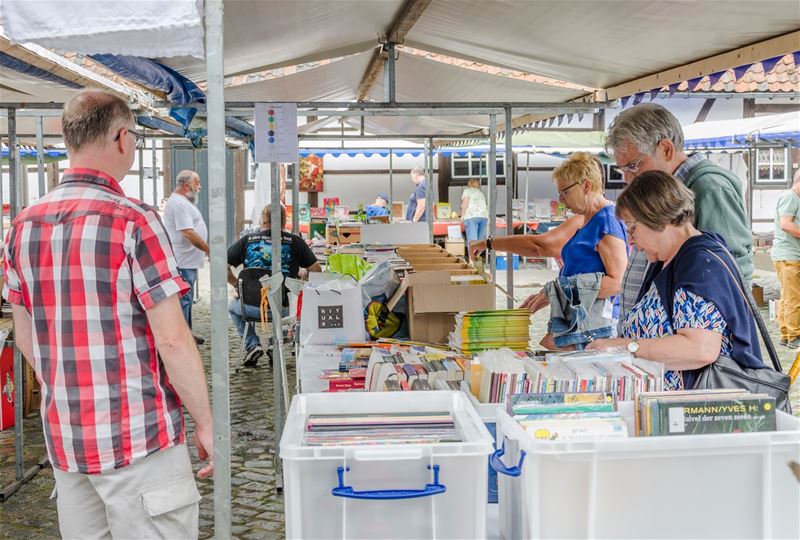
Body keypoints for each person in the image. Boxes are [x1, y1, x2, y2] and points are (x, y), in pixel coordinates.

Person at [2, 90, 213, 538]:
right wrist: (206, 422)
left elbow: (25, 336)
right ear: (122, 138)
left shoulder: (22, 225)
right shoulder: (134, 220)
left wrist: (68, 384)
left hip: (67, 440)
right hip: (140, 438)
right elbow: (173, 338)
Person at [588, 171, 765, 390]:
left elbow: (699, 349)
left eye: (633, 229)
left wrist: (625, 346)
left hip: (702, 413)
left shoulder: (697, 263)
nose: (631, 240)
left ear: (659, 217)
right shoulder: (671, 259)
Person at [606, 103, 753, 333]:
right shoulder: (668, 190)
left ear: (665, 149)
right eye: (622, 169)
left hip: (691, 349)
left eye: (633, 166)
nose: (627, 178)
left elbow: (729, 274)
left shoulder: (709, 187)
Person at [470, 152, 628, 346]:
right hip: (578, 318)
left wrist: (561, 291)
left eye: (565, 193)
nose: (561, 199)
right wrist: (554, 293)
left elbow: (617, 283)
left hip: (593, 325)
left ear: (586, 185)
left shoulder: (606, 222)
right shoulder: (586, 219)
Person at [227, 204, 321, 366]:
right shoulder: (295, 242)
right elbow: (316, 271)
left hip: (250, 306)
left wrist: (237, 284)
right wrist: (302, 276)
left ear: (263, 220)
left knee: (232, 307)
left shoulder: (247, 241)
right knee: (301, 311)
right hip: (283, 309)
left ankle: (252, 344)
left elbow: (221, 263)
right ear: (284, 221)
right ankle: (275, 342)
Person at [163, 169, 209, 343]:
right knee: (183, 300)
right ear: (187, 185)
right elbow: (188, 233)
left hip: (187, 261)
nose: (199, 187)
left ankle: (187, 334)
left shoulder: (181, 202)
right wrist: (208, 249)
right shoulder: (179, 203)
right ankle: (183, 338)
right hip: (183, 261)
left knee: (186, 299)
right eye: (197, 183)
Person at [771, 168, 800, 349]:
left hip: (787, 255)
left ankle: (784, 334)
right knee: (794, 297)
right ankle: (794, 336)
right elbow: (785, 224)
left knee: (786, 296)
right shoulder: (790, 197)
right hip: (789, 255)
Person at [461, 178, 489, 250]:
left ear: (469, 184)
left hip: (472, 216)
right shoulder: (480, 193)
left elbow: (465, 203)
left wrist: (462, 215)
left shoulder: (467, 191)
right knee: (479, 241)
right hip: (484, 217)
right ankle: (477, 258)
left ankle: (472, 260)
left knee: (472, 241)